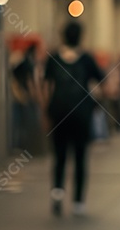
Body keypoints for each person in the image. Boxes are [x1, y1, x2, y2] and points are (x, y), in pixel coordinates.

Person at [43, 21, 105, 216]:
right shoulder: (87, 59)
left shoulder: (53, 58)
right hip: (81, 115)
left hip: (59, 114)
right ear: (80, 36)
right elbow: (102, 82)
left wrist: (46, 110)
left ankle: (57, 193)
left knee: (59, 156)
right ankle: (78, 202)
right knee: (80, 157)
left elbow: (45, 86)